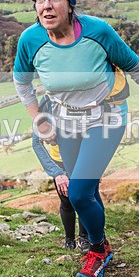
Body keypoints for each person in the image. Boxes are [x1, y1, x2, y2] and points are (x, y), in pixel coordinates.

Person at [14, 0, 139, 277]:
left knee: (80, 190)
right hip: (64, 118)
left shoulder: (98, 31)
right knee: (84, 191)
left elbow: (133, 63)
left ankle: (98, 248)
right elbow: (22, 82)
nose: (46, 5)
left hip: (106, 116)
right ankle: (95, 240)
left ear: (70, 3)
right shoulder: (31, 40)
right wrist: (38, 118)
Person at [31, 96, 90, 252]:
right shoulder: (45, 104)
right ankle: (69, 240)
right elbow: (36, 142)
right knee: (67, 201)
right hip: (59, 161)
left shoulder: (83, 98)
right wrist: (57, 173)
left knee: (84, 198)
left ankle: (84, 239)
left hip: (82, 157)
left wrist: (94, 164)